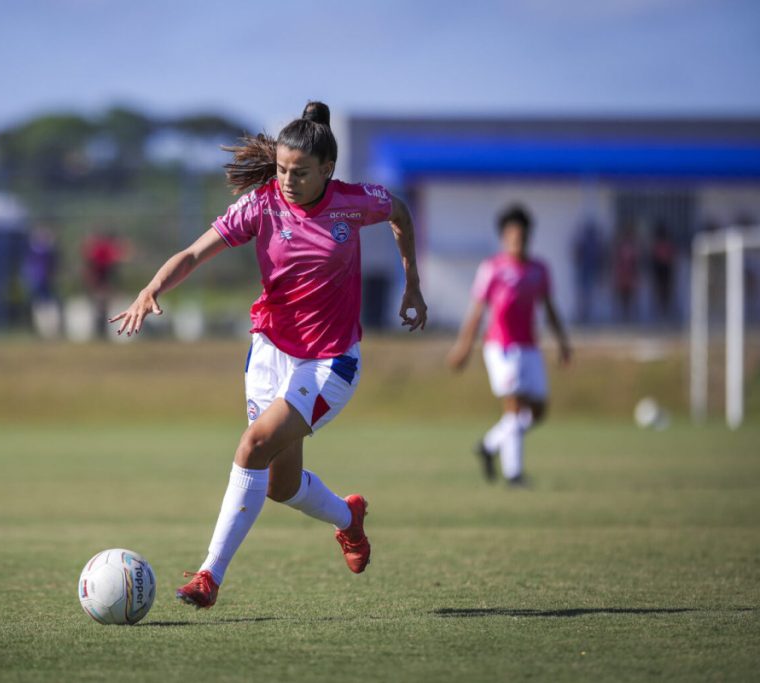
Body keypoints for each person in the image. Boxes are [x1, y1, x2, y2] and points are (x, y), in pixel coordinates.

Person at [110, 101, 428, 609]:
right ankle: (349, 518)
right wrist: (152, 288)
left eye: (300, 172)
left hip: (330, 362)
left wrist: (411, 283)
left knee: (252, 446)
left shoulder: (354, 202)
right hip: (269, 353)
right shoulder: (261, 206)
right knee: (280, 486)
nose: (287, 181)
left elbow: (401, 213)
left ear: (327, 170)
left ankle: (209, 576)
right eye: (281, 170)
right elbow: (193, 254)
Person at [446, 204, 571, 486]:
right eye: (512, 236)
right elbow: (477, 311)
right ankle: (514, 474)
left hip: (530, 347)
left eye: (522, 236)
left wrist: (563, 342)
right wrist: (464, 347)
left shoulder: (539, 270)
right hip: (501, 347)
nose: (518, 241)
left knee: (537, 411)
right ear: (504, 238)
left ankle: (489, 445)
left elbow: (549, 308)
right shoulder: (493, 268)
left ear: (529, 236)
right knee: (514, 407)